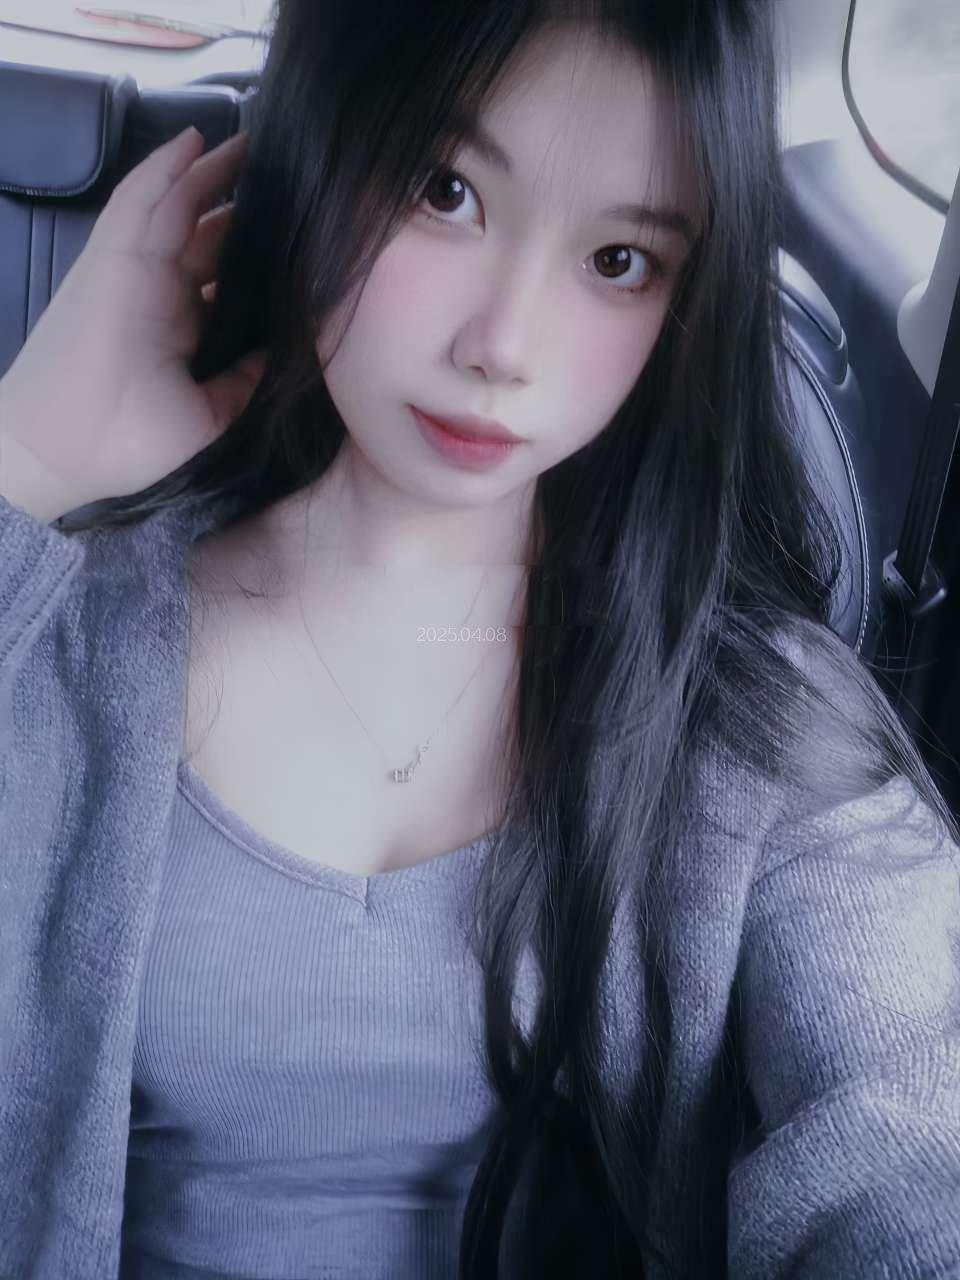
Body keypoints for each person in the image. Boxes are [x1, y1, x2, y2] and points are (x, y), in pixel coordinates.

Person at [1, 1, 959, 1276]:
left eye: (619, 258)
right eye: (443, 191)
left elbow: (907, 1126)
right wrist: (26, 456)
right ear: (315, 152)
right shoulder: (65, 626)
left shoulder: (742, 713)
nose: (505, 347)